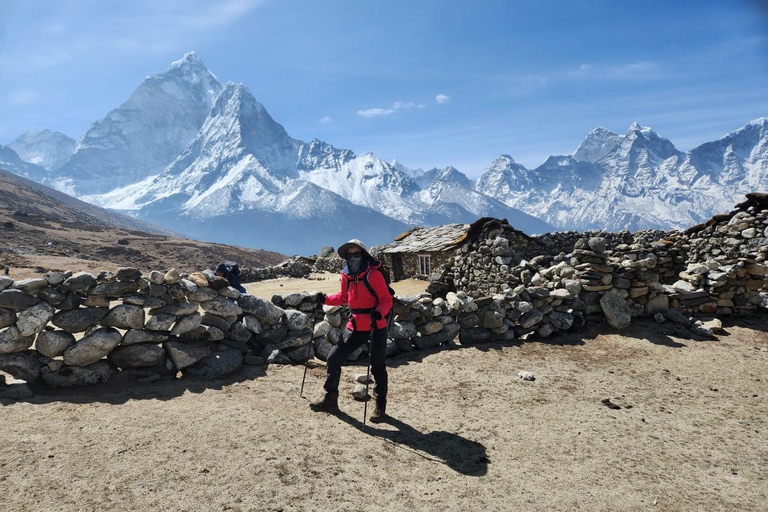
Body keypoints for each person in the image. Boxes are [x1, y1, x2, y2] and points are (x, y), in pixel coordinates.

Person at [310, 239, 393, 423]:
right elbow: (343, 297)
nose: (353, 258)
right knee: (333, 358)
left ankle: (380, 406)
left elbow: (386, 299)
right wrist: (324, 299)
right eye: (350, 255)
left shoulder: (373, 275)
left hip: (375, 326)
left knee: (377, 366)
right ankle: (330, 399)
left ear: (363, 255)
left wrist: (379, 315)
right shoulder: (347, 276)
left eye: (356, 254)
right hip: (355, 325)